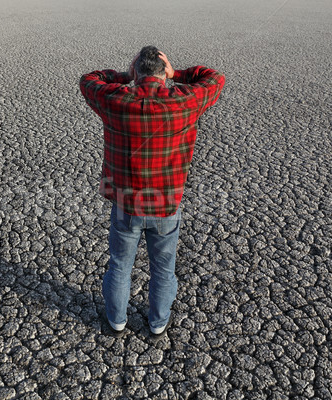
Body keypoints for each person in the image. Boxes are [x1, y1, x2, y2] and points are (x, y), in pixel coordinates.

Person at [79, 46, 225, 338]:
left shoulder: (116, 99)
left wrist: (123, 76)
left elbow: (89, 80)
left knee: (120, 264)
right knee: (163, 268)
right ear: (163, 72)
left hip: (126, 204)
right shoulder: (184, 100)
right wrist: (178, 73)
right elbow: (214, 78)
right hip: (166, 204)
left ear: (137, 71)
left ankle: (116, 321)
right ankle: (158, 323)